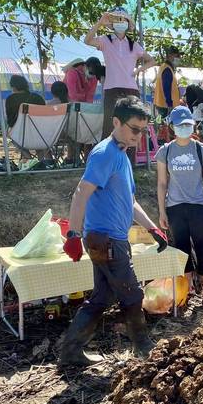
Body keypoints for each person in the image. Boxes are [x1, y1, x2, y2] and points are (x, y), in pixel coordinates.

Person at [58, 96, 168, 368]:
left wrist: (151, 227)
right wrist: (72, 234)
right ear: (116, 122)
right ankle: (143, 347)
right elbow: (81, 192)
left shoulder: (120, 155)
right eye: (134, 129)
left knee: (103, 297)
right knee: (132, 295)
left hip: (111, 240)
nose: (138, 136)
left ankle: (71, 352)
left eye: (142, 131)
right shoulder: (105, 153)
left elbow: (129, 202)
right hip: (105, 240)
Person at [155, 106, 203, 309]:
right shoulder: (165, 151)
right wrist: (162, 210)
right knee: (181, 249)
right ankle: (187, 288)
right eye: (180, 125)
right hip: (175, 207)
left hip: (198, 206)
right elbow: (162, 183)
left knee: (202, 247)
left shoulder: (202, 150)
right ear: (172, 127)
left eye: (187, 125)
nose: (184, 128)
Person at [85, 6, 156, 149]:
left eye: (122, 19)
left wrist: (138, 71)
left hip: (131, 90)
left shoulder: (134, 45)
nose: (120, 21)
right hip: (112, 89)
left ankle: (129, 163)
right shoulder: (105, 40)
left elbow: (152, 60)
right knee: (110, 125)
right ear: (112, 23)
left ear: (128, 22)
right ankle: (108, 160)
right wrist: (100, 22)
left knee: (133, 125)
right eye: (116, 19)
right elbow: (87, 40)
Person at [154, 45, 183, 119]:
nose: (179, 58)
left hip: (162, 105)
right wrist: (170, 105)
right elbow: (166, 88)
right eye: (177, 56)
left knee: (163, 127)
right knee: (167, 128)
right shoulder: (167, 69)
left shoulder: (164, 67)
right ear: (170, 56)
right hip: (166, 106)